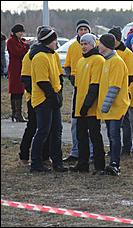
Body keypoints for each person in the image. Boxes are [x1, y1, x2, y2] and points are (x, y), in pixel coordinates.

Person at [30, 28, 67, 172]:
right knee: (43, 131)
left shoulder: (53, 55)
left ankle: (57, 162)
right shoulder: (40, 56)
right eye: (54, 40)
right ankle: (36, 163)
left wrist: (59, 95)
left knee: (57, 130)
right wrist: (53, 97)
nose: (56, 43)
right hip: (43, 99)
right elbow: (42, 81)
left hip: (53, 98)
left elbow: (59, 76)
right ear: (48, 41)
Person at [69, 33, 106, 174]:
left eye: (86, 44)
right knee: (81, 136)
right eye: (82, 44)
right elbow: (78, 88)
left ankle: (99, 165)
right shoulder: (80, 61)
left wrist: (86, 105)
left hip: (91, 107)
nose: (84, 47)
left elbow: (94, 86)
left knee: (95, 136)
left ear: (93, 44)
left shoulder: (98, 60)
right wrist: (76, 107)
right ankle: (82, 163)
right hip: (80, 107)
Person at [19, 25, 53, 167]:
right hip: (35, 97)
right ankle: (24, 155)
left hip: (47, 97)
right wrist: (36, 94)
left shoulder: (49, 54)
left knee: (46, 128)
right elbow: (26, 78)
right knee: (33, 126)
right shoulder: (30, 55)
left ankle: (45, 156)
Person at [97, 34, 130, 176]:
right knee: (111, 136)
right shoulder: (107, 61)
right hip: (110, 108)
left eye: (101, 44)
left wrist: (105, 105)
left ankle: (115, 164)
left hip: (116, 107)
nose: (98, 46)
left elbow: (114, 87)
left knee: (114, 136)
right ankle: (112, 163)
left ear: (107, 45)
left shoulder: (116, 62)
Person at [63, 19, 94, 164]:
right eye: (80, 29)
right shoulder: (72, 47)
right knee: (76, 120)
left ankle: (93, 151)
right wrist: (71, 78)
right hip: (77, 86)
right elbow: (67, 66)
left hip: (91, 87)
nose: (83, 32)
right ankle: (76, 151)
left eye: (85, 29)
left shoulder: (95, 45)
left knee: (92, 122)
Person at [109, 26, 133, 156]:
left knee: (124, 121)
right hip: (110, 91)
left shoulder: (127, 54)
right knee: (112, 121)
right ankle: (114, 147)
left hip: (124, 92)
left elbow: (131, 75)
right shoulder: (108, 53)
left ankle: (126, 147)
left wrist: (120, 86)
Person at [7, 23, 30, 122]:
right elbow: (18, 52)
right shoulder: (11, 42)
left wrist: (25, 45)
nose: (21, 34)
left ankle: (16, 113)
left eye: (22, 32)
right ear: (15, 32)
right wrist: (26, 47)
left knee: (19, 90)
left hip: (21, 68)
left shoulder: (20, 41)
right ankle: (16, 114)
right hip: (15, 68)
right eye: (20, 32)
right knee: (16, 90)